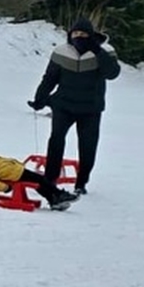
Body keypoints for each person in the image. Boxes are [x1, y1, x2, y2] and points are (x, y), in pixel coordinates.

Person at [28, 18, 121, 195]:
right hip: (63, 105)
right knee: (56, 140)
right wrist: (40, 98)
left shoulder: (105, 52)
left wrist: (97, 50)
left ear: (92, 36)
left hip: (91, 109)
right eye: (75, 34)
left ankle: (81, 183)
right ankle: (50, 180)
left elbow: (112, 73)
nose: (79, 37)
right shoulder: (61, 52)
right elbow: (50, 78)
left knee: (88, 146)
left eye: (84, 34)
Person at [0, 137, 80, 211]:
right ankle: (59, 195)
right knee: (41, 180)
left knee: (39, 182)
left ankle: (54, 200)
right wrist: (5, 188)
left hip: (16, 172)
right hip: (15, 175)